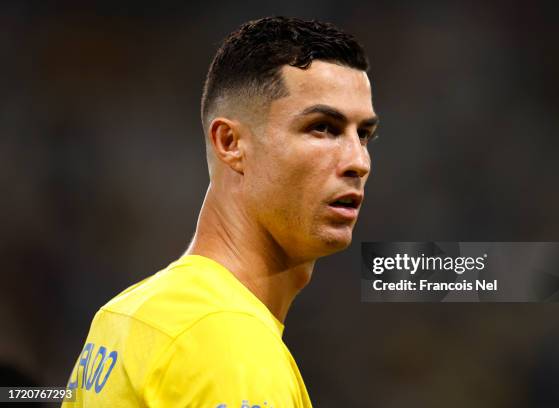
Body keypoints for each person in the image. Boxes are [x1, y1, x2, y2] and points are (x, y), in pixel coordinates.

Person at [63, 16, 378, 407]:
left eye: (363, 134)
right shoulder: (227, 343)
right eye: (323, 127)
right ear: (230, 142)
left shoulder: (126, 316)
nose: (358, 161)